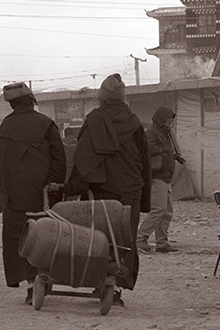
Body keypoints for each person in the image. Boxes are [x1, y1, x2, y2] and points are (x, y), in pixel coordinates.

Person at [60, 73, 152, 301]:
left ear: (101, 97)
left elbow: (83, 158)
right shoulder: (134, 123)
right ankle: (117, 289)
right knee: (125, 239)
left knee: (98, 237)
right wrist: (144, 199)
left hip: (101, 192)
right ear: (123, 98)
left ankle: (98, 281)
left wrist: (72, 187)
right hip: (130, 191)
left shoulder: (94, 120)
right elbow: (145, 162)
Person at [0, 81, 67, 303]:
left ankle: (32, 286)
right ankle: (43, 279)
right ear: (32, 101)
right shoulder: (46, 124)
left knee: (19, 238)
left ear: (12, 104)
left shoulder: (5, 126)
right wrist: (53, 187)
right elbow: (59, 161)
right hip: (42, 196)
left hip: (14, 197)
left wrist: (8, 183)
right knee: (44, 237)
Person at [136, 107, 185, 254]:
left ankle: (162, 243)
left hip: (165, 177)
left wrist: (173, 155)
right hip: (157, 177)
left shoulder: (165, 134)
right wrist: (165, 149)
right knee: (158, 209)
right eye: (169, 119)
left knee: (167, 212)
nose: (171, 122)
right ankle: (140, 239)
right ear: (162, 120)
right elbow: (149, 149)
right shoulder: (152, 133)